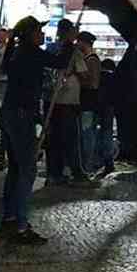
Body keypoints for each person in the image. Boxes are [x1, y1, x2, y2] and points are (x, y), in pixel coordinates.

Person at [0, 16, 72, 244]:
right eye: (39, 31)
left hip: (11, 114)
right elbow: (60, 62)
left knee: (16, 169)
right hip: (21, 117)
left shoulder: (18, 51)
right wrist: (68, 42)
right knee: (27, 171)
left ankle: (10, 217)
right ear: (30, 34)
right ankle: (21, 226)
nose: (42, 35)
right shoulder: (30, 52)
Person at [44, 20, 92, 186]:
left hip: (50, 100)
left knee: (53, 139)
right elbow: (84, 75)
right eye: (73, 31)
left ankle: (54, 173)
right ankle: (76, 171)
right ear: (68, 32)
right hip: (68, 101)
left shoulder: (50, 48)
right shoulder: (73, 52)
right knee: (71, 139)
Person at [77, 32, 103, 174]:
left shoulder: (92, 60)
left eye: (78, 42)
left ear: (84, 43)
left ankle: (87, 165)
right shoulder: (87, 59)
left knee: (87, 135)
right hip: (85, 103)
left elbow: (93, 84)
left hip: (88, 103)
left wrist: (79, 79)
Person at [95, 58, 118, 176]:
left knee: (97, 134)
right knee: (107, 134)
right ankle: (108, 162)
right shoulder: (113, 78)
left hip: (96, 108)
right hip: (109, 108)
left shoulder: (98, 76)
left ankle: (97, 160)